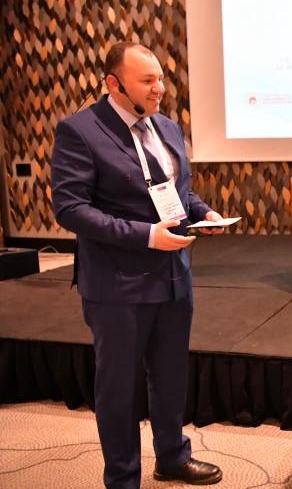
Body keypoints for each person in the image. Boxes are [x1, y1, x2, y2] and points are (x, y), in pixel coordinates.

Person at [51, 42, 224, 488]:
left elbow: (177, 190)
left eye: (160, 78)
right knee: (120, 389)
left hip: (174, 277)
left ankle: (172, 457)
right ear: (114, 83)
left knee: (170, 377)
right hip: (117, 284)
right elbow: (70, 209)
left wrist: (203, 212)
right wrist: (146, 235)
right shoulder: (79, 130)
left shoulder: (166, 126)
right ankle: (123, 478)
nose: (159, 88)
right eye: (147, 80)